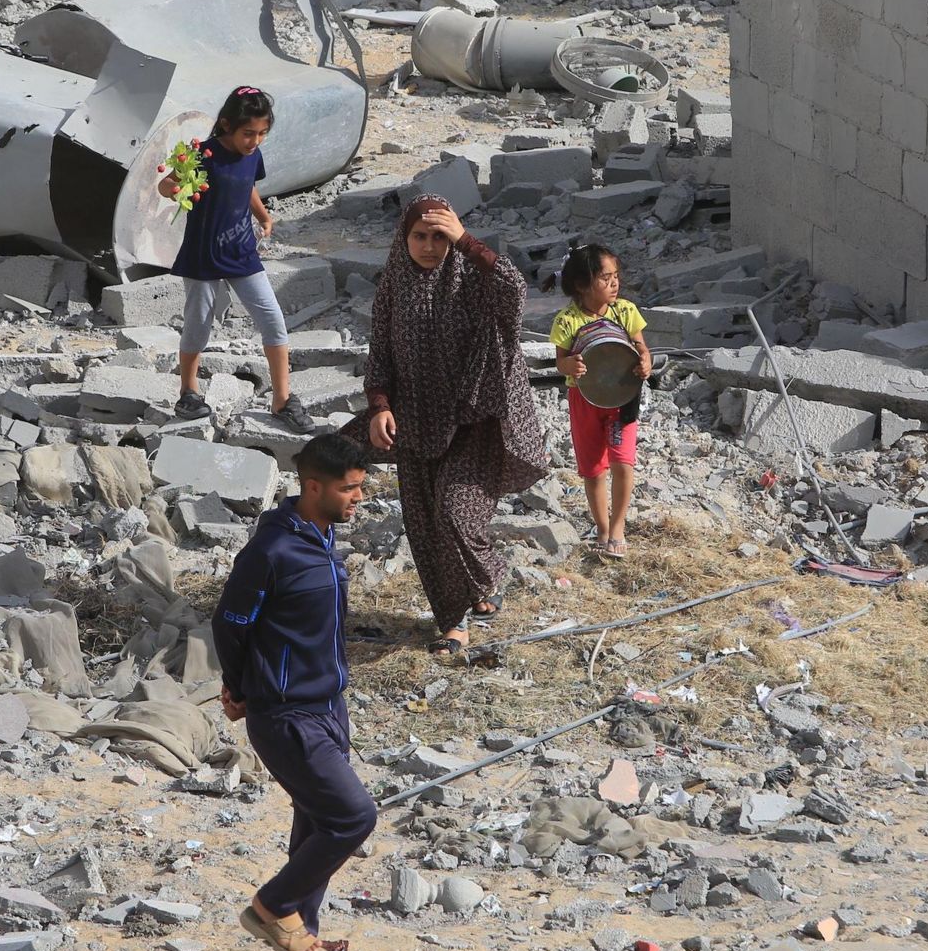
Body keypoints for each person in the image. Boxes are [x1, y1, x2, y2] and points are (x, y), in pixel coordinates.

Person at [213, 434, 376, 951]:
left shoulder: (323, 538)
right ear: (313, 487)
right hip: (285, 714)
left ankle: (297, 945)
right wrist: (238, 687)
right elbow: (230, 624)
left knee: (316, 822)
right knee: (353, 816)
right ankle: (273, 907)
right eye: (348, 488)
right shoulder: (271, 550)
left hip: (329, 706)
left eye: (360, 486)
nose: (359, 497)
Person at [359, 195, 546, 655]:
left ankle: (489, 575)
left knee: (456, 515)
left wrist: (467, 242)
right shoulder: (394, 286)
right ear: (404, 239)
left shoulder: (473, 277)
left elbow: (515, 293)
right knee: (425, 527)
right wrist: (380, 405)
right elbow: (380, 353)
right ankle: (453, 622)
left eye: (438, 237)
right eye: (419, 236)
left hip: (475, 418)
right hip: (416, 422)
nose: (428, 246)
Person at [158, 85, 313, 433]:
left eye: (262, 133)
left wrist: (263, 216)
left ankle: (282, 399)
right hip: (202, 255)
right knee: (198, 322)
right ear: (226, 125)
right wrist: (177, 189)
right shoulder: (202, 155)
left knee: (272, 320)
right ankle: (188, 390)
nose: (254, 141)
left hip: (242, 251)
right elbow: (166, 185)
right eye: (248, 133)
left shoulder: (253, 156)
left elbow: (248, 188)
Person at [550, 244, 653, 557]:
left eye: (616, 276)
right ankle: (602, 528)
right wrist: (572, 365)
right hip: (585, 399)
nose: (614, 283)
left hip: (623, 398)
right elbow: (560, 362)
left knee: (623, 462)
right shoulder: (567, 320)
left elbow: (642, 349)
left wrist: (646, 363)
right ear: (582, 284)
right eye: (605, 278)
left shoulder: (626, 311)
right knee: (594, 469)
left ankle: (618, 525)